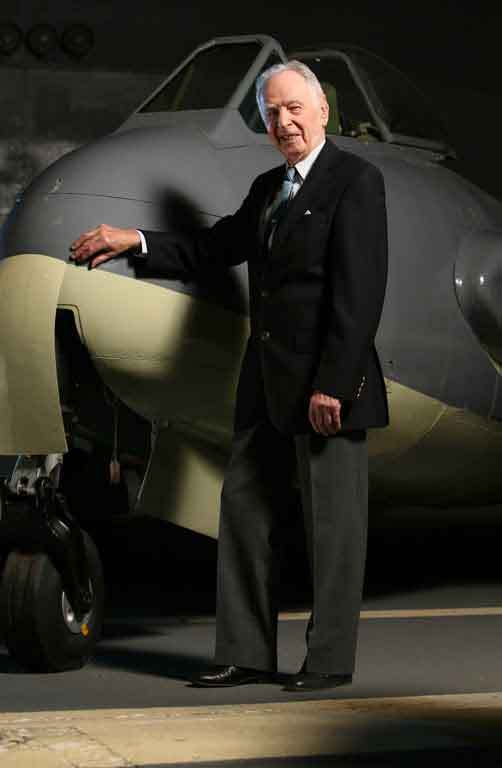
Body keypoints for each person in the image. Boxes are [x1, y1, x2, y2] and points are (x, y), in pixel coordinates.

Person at [69, 60, 389, 692]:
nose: (284, 120)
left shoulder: (357, 181)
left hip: (327, 387)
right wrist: (132, 239)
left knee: (334, 528)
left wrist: (335, 383)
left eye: (294, 107)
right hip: (265, 380)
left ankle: (327, 661)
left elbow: (361, 291)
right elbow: (213, 249)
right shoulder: (269, 188)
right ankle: (245, 652)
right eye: (272, 112)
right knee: (244, 512)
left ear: (323, 110)